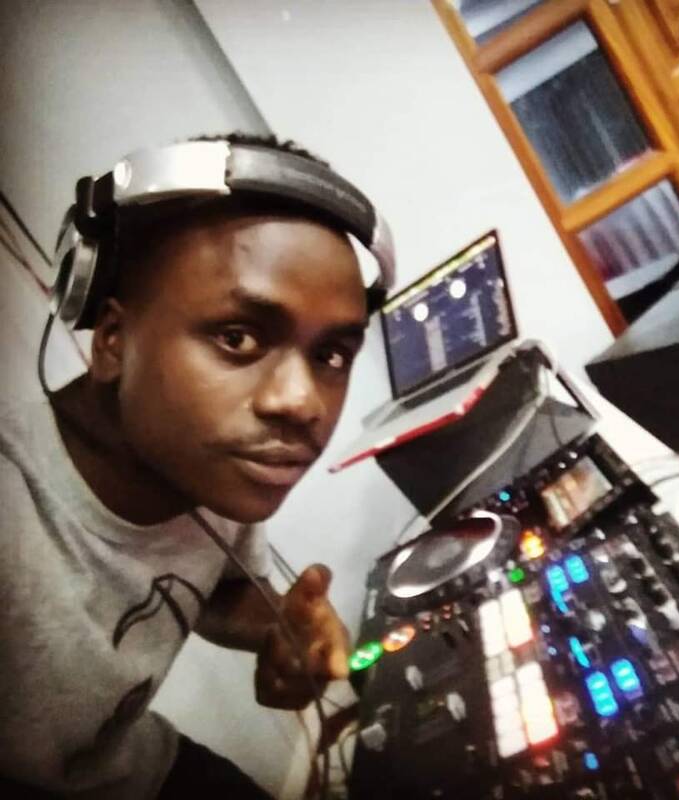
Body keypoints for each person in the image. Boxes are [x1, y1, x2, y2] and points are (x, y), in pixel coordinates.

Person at [0, 133, 392, 798]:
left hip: (140, 767)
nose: (302, 403)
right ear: (112, 340)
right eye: (238, 337)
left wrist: (280, 628)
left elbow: (221, 589)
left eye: (330, 355)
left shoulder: (214, 472)